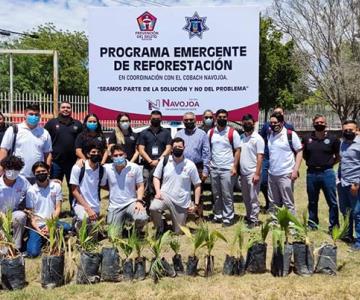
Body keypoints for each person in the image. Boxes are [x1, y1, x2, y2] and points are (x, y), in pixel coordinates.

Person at [150, 137, 201, 234]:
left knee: (178, 232)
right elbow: (156, 177)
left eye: (180, 147)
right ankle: (161, 227)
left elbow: (197, 185)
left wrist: (196, 204)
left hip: (181, 201)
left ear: (184, 147)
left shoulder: (190, 165)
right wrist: (158, 192)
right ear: (172, 149)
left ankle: (180, 225)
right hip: (165, 196)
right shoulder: (164, 161)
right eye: (175, 147)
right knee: (153, 207)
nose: (178, 148)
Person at [26, 161, 72, 257]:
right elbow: (31, 214)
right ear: (34, 174)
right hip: (37, 225)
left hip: (52, 222)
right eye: (38, 172)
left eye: (43, 171)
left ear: (48, 171)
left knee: (68, 227)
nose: (41, 173)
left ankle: (50, 236)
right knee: (33, 253)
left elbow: (58, 208)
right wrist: (39, 229)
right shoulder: (31, 191)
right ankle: (42, 238)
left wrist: (49, 226)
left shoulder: (56, 186)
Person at [302, 114, 340, 231]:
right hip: (311, 173)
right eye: (317, 122)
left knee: (332, 201)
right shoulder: (307, 138)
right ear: (313, 124)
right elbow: (304, 155)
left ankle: (334, 226)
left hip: (327, 173)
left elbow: (338, 156)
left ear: (326, 124)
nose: (319, 124)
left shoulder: (333, 139)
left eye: (322, 123)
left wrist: (329, 164)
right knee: (312, 201)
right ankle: (313, 224)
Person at [44, 101, 83, 212]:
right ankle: (53, 211)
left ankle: (74, 209)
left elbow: (82, 141)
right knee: (54, 188)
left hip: (73, 162)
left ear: (71, 110)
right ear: (60, 109)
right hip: (56, 162)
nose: (66, 109)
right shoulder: (52, 123)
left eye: (68, 107)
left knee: (73, 187)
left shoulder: (77, 124)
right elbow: (45, 138)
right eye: (63, 107)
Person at [0, 103, 52, 184]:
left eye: (36, 114)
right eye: (31, 114)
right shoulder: (14, 130)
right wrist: (1, 167)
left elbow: (48, 154)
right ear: (25, 114)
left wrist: (47, 171)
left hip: (37, 175)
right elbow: (4, 149)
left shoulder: (44, 133)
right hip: (17, 174)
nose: (34, 117)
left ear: (39, 116)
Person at [102, 144, 148, 230]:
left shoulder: (135, 167)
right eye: (115, 155)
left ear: (125, 155)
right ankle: (121, 223)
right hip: (115, 206)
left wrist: (139, 201)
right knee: (114, 237)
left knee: (142, 217)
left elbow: (140, 186)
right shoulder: (106, 168)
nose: (118, 157)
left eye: (121, 154)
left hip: (132, 202)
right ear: (111, 157)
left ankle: (136, 231)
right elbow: (103, 184)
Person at [208, 109, 240, 226]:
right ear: (216, 118)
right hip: (214, 168)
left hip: (227, 169)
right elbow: (209, 150)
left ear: (227, 118)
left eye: (224, 117)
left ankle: (228, 217)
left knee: (227, 194)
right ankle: (218, 215)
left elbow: (237, 150)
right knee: (216, 194)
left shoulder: (233, 132)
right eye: (220, 117)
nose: (222, 119)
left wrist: (234, 166)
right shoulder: (211, 132)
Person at [267, 112, 303, 215]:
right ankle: (274, 223)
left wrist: (295, 170)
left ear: (282, 122)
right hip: (272, 174)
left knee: (288, 202)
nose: (273, 125)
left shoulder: (290, 135)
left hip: (286, 174)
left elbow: (299, 151)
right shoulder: (270, 134)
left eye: (276, 123)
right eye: (271, 123)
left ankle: (292, 226)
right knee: (273, 202)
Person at [260, 107, 295, 211]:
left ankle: (286, 214)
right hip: (268, 158)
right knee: (264, 182)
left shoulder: (289, 129)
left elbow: (295, 147)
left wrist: (295, 168)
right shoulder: (267, 127)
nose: (274, 124)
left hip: (284, 166)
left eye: (280, 113)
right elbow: (262, 139)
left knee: (285, 190)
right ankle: (269, 202)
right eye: (275, 112)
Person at [137, 110, 172, 202]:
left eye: (158, 119)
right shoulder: (144, 133)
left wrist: (159, 160)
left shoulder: (166, 132)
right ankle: (146, 206)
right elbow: (141, 149)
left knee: (161, 185)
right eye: (153, 119)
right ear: (150, 119)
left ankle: (160, 207)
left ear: (161, 119)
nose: (155, 120)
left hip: (162, 165)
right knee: (145, 185)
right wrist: (150, 161)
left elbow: (168, 148)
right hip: (147, 165)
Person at [239, 114, 265, 227]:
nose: (247, 125)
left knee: (253, 197)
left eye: (249, 123)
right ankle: (249, 216)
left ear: (253, 123)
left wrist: (257, 173)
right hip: (243, 173)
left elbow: (260, 157)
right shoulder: (242, 137)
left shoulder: (258, 139)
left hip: (253, 173)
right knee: (246, 197)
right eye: (245, 123)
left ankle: (254, 220)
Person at [337, 120, 360, 250]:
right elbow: (341, 162)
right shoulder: (342, 143)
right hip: (343, 183)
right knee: (346, 211)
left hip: (355, 184)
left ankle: (358, 241)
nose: (347, 132)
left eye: (350, 130)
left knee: (357, 212)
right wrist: (338, 179)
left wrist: (357, 183)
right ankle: (347, 235)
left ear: (356, 130)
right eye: (345, 130)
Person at [70, 142, 105, 222]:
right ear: (88, 154)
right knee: (84, 220)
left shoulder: (102, 170)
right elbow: (74, 191)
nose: (96, 154)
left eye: (98, 152)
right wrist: (88, 209)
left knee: (93, 231)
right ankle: (76, 221)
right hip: (81, 204)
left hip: (95, 206)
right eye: (93, 152)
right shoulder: (78, 168)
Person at [0, 155, 29, 251]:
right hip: (0, 215)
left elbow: (33, 191)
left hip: (12, 213)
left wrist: (49, 182)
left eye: (16, 169)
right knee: (3, 250)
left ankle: (16, 247)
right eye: (9, 168)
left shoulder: (22, 181)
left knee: (21, 216)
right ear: (4, 169)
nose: (13, 171)